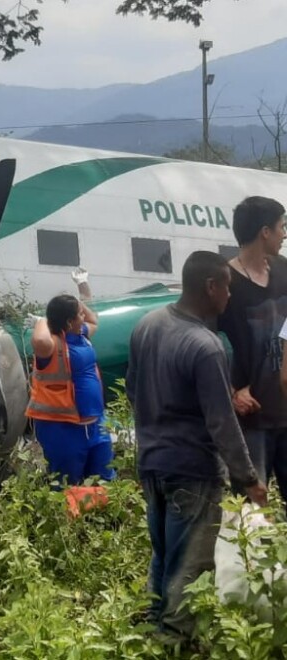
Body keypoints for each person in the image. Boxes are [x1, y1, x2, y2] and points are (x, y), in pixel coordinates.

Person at [127, 250, 268, 640]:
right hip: (193, 470)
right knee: (190, 562)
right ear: (211, 286)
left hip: (153, 463)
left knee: (164, 553)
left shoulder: (148, 325)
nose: (229, 296)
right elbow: (222, 422)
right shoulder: (206, 346)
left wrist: (156, 435)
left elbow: (135, 393)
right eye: (227, 287)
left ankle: (153, 626)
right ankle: (173, 639)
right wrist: (249, 479)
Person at [217, 196, 287, 505]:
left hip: (286, 410)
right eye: (282, 227)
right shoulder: (224, 282)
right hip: (251, 418)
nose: (285, 235)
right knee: (251, 509)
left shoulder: (284, 269)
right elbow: (203, 342)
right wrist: (231, 389)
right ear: (265, 232)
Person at [26, 292, 116, 487]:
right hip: (63, 428)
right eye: (79, 313)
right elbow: (40, 340)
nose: (83, 315)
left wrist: (76, 300)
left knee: (104, 481)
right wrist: (43, 319)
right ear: (69, 322)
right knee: (67, 486)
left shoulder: (81, 335)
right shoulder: (52, 345)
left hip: (95, 424)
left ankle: (96, 516)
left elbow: (94, 321)